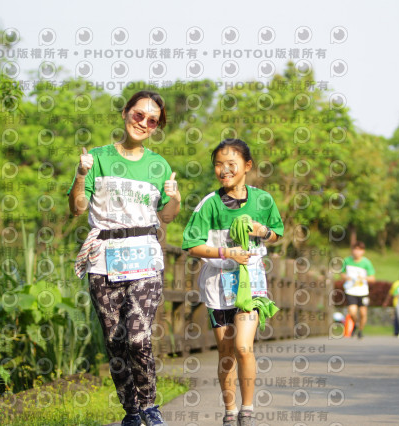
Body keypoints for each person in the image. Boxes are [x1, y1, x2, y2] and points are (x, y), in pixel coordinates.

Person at [67, 90, 179, 426]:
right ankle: (130, 410)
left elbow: (169, 216)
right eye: (138, 115)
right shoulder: (98, 157)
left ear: (157, 127)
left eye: (152, 120)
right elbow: (77, 208)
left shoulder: (159, 165)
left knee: (137, 336)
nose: (144, 123)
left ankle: (148, 405)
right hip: (103, 258)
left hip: (144, 256)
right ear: (125, 114)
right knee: (116, 342)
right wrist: (81, 174)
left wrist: (174, 198)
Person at [182, 139, 284, 426]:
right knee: (226, 351)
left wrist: (262, 231)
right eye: (218, 164)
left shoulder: (263, 200)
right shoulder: (209, 204)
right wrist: (226, 252)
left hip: (251, 282)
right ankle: (230, 410)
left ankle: (248, 410)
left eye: (231, 164)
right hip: (217, 285)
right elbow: (192, 245)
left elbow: (276, 233)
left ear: (247, 166)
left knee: (243, 346)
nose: (224, 170)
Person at [340, 241, 376, 339]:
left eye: (359, 250)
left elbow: (372, 278)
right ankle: (355, 324)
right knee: (352, 312)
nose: (356, 252)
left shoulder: (366, 262)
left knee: (363, 313)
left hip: (362, 291)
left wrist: (363, 278)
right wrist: (347, 277)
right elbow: (341, 273)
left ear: (363, 251)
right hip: (350, 290)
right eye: (355, 249)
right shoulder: (347, 261)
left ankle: (360, 330)